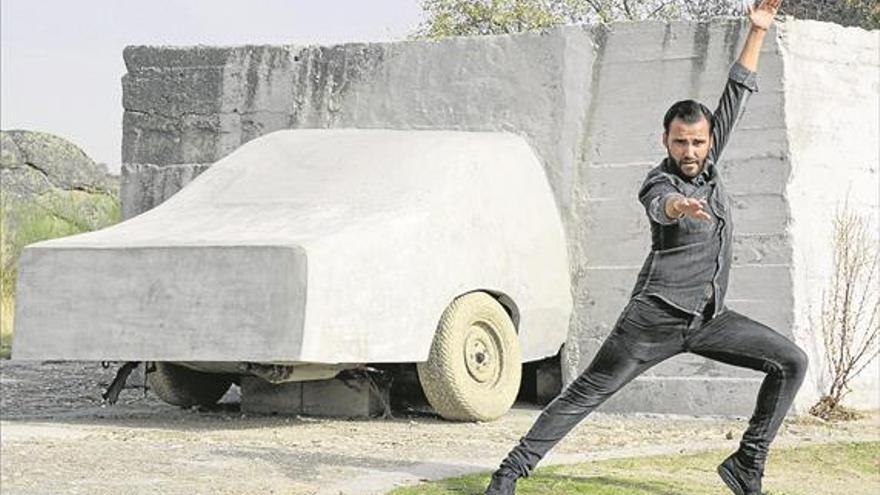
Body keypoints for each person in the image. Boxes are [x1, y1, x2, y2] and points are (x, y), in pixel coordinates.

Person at [485, 1, 807, 494]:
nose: (691, 152)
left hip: (709, 319)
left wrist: (756, 31)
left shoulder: (710, 160)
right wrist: (680, 207)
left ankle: (747, 463)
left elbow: (737, 91)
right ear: (667, 140)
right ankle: (509, 472)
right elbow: (661, 206)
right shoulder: (658, 181)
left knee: (791, 361)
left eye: (698, 142)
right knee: (586, 393)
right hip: (653, 319)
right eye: (681, 143)